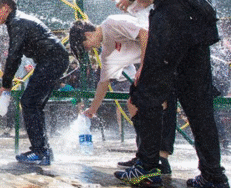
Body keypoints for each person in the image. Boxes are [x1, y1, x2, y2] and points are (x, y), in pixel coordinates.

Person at [110, 0, 229, 188]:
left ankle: (148, 168)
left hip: (174, 15)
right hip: (198, 12)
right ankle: (214, 176)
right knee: (198, 101)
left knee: (147, 91)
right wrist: (143, 1)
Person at [69, 15, 178, 174]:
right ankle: (144, 155)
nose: (89, 49)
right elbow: (103, 83)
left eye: (85, 46)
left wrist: (144, 66)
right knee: (133, 103)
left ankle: (161, 157)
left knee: (161, 104)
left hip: (167, 55)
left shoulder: (111, 24)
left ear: (88, 35)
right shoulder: (107, 52)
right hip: (154, 63)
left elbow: (144, 33)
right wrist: (92, 109)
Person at [0, 0, 70, 166]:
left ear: (6, 8)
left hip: (52, 60)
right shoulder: (17, 20)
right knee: (34, 104)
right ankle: (43, 150)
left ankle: (40, 151)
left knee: (29, 102)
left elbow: (14, 55)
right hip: (54, 59)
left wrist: (6, 85)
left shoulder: (17, 22)